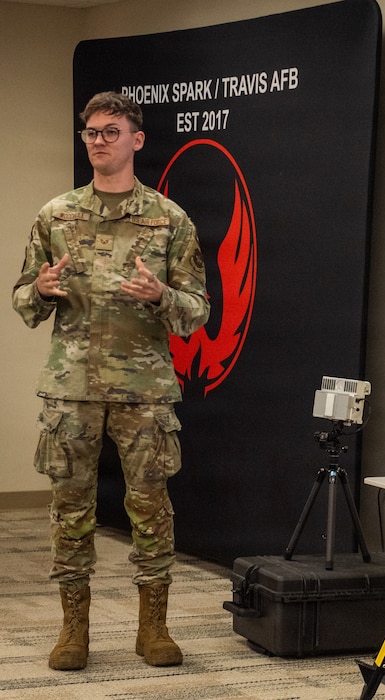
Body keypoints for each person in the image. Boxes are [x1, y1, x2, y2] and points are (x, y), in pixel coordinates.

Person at [12, 91, 210, 671]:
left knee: (151, 508)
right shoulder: (56, 215)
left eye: (111, 131)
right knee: (68, 509)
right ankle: (74, 631)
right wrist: (42, 290)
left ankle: (154, 629)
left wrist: (162, 295)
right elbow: (23, 298)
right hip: (70, 389)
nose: (99, 140)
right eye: (92, 132)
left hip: (144, 392)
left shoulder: (170, 220)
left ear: (136, 139)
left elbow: (198, 311)